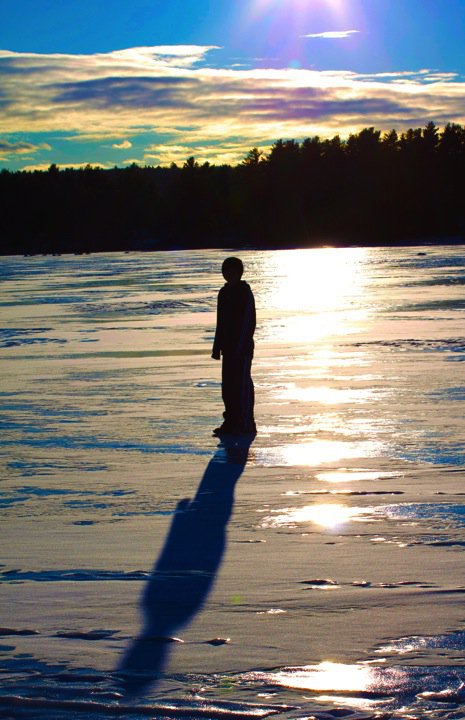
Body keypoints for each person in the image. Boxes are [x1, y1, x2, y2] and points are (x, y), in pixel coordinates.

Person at [211, 257, 256, 436]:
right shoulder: (223, 293)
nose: (228, 274)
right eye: (225, 271)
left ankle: (245, 423)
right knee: (228, 387)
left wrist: (240, 346)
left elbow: (248, 321)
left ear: (239, 272)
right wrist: (217, 347)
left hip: (242, 349)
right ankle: (230, 421)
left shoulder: (244, 293)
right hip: (228, 349)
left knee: (241, 386)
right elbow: (220, 322)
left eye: (231, 271)